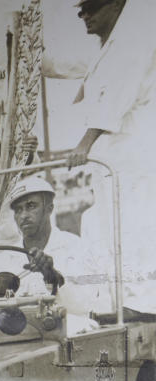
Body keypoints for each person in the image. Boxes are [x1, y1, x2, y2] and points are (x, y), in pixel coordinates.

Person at [65, 0, 156, 314]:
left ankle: (141, 307)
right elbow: (66, 64)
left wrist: (83, 144)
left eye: (91, 8)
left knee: (133, 230)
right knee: (110, 231)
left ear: (117, 4)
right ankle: (123, 304)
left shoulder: (132, 39)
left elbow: (116, 99)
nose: (85, 16)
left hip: (133, 155)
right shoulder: (106, 47)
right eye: (80, 12)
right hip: (114, 159)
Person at [0, 177, 111, 325]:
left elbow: (86, 305)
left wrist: (52, 277)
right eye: (18, 210)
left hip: (67, 335)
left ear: (49, 208)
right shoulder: (5, 258)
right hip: (19, 337)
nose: (24, 215)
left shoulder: (77, 247)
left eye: (31, 206)